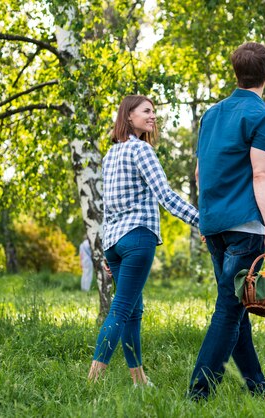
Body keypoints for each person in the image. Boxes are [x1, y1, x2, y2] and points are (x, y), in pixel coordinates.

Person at [188, 42, 265, 400]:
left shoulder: (211, 114)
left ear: (236, 71)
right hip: (244, 227)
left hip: (215, 224)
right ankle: (198, 394)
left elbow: (200, 172)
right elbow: (262, 174)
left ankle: (257, 387)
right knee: (228, 309)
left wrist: (205, 220)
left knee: (235, 305)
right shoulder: (263, 116)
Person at [88, 95, 199, 386]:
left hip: (114, 242)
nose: (153, 116)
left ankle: (139, 380)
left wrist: (107, 251)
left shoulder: (110, 155)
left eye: (154, 112)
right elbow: (166, 196)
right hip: (138, 237)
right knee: (122, 309)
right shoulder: (142, 151)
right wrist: (202, 221)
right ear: (128, 117)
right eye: (146, 111)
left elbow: (106, 207)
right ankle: (92, 381)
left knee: (133, 311)